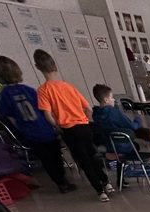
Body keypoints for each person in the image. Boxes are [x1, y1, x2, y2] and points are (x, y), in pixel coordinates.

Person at [33, 49, 112, 202]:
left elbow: (47, 115)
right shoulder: (68, 86)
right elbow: (88, 108)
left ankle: (100, 190)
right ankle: (107, 182)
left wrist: (58, 126)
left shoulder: (43, 90)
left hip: (69, 129)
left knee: (84, 160)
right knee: (92, 155)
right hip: (84, 126)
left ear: (37, 67)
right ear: (55, 65)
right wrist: (87, 121)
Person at [0, 56, 75, 194]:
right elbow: (45, 109)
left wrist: (21, 128)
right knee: (56, 155)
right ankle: (63, 179)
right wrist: (55, 125)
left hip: (29, 132)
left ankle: (60, 183)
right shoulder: (29, 90)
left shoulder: (4, 95)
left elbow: (10, 117)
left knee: (45, 159)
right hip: (45, 128)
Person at [92, 83, 142, 154]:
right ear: (106, 100)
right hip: (121, 146)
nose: (114, 100)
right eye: (112, 97)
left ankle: (118, 161)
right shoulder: (114, 112)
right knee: (136, 145)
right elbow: (132, 126)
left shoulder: (95, 114)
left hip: (107, 145)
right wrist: (138, 120)